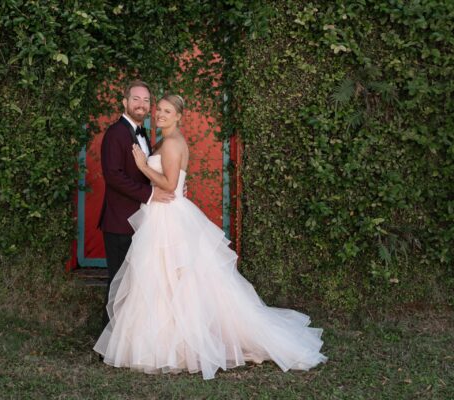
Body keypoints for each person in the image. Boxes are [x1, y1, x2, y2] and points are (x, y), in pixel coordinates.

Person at [94, 94, 328, 380]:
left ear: (179, 116)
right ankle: (163, 340)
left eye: (167, 111)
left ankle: (177, 344)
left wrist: (144, 167)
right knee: (162, 278)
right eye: (159, 110)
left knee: (171, 278)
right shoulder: (165, 141)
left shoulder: (172, 142)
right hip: (162, 211)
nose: (160, 114)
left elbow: (169, 183)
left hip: (168, 216)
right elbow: (171, 179)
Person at [98, 80, 175, 327]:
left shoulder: (141, 133)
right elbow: (113, 176)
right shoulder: (116, 133)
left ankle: (129, 337)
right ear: (125, 102)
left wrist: (169, 186)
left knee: (135, 282)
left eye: (146, 100)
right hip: (120, 221)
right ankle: (110, 338)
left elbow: (144, 173)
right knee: (119, 283)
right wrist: (150, 194)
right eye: (136, 99)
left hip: (140, 220)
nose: (141, 104)